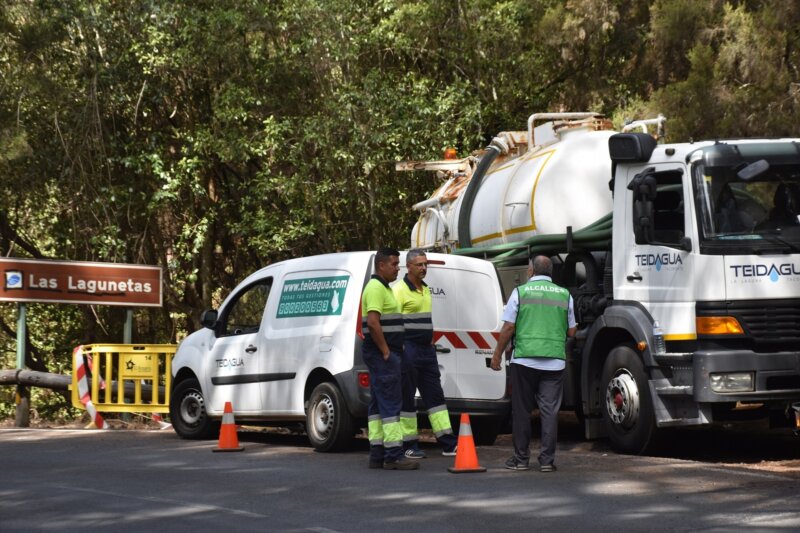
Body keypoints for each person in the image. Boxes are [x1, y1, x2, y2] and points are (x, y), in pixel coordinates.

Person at [490, 255, 577, 472]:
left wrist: (497, 355)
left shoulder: (520, 292)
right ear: (551, 273)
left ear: (531, 271)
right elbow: (572, 330)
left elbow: (508, 327)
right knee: (549, 412)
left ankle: (521, 459)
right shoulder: (565, 295)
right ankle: (547, 461)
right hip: (554, 363)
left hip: (525, 361)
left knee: (522, 410)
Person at [393, 249, 459, 460]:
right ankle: (409, 444)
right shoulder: (399, 290)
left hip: (426, 350)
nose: (423, 268)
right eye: (419, 264)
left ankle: (448, 443)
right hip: (408, 349)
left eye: (425, 264)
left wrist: (430, 341)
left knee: (435, 397)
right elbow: (392, 323)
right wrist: (400, 348)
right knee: (407, 398)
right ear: (409, 266)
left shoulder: (426, 289)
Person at [362, 247, 419, 470]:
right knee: (391, 403)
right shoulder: (376, 288)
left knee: (377, 404)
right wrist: (386, 351)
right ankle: (394, 455)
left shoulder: (382, 287)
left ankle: (377, 454)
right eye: (394, 264)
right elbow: (374, 323)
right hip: (383, 354)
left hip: (384, 352)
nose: (398, 268)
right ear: (381, 265)